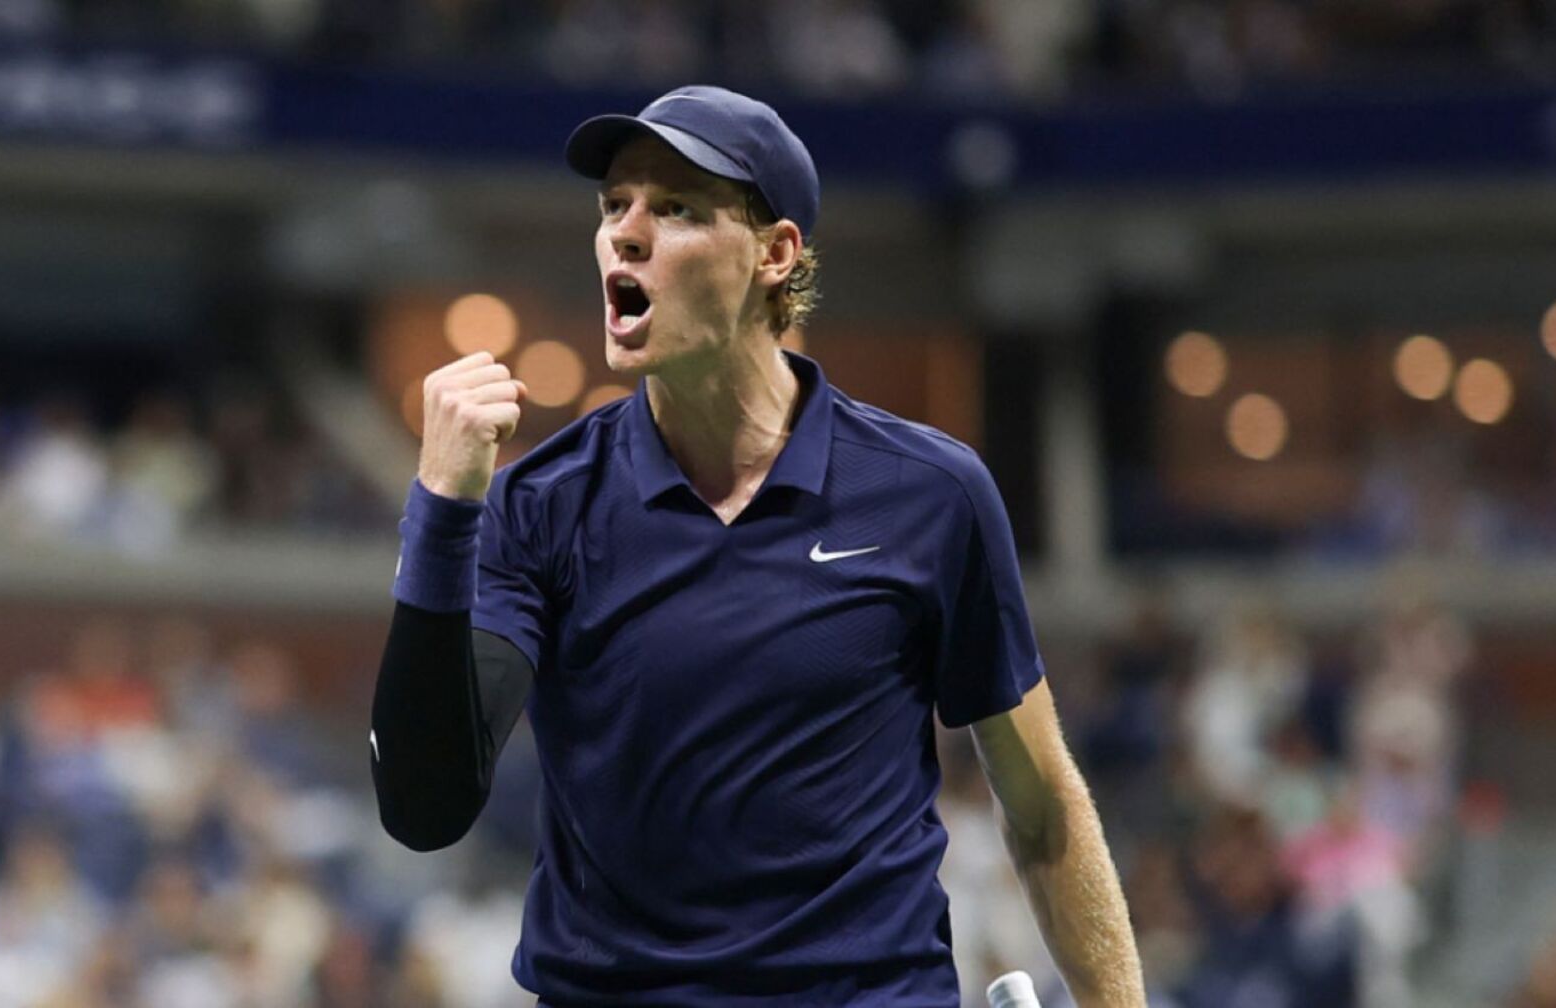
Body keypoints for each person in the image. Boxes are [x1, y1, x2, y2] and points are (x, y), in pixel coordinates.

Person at [369, 84, 1144, 1006]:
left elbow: (1043, 809)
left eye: (678, 209)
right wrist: (442, 512)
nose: (626, 231)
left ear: (776, 255)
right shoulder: (540, 506)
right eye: (615, 204)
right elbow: (424, 806)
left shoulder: (930, 494)